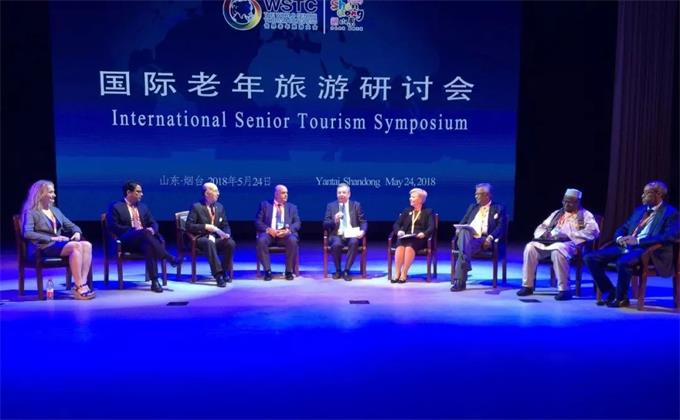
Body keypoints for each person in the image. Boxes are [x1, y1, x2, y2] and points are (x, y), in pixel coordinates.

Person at [585, 181, 679, 307]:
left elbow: (669, 236)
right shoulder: (640, 210)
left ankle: (621, 298)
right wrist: (620, 238)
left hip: (649, 250)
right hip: (628, 247)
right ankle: (610, 291)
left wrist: (639, 241)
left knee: (623, 262)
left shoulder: (670, 213)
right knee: (590, 258)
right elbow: (624, 227)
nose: (642, 196)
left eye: (646, 193)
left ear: (659, 194)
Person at [516, 188, 600, 300]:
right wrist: (544, 234)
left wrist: (568, 235)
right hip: (552, 242)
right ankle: (527, 286)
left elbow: (593, 232)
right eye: (564, 201)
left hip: (571, 244)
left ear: (577, 202)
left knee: (558, 250)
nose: (566, 204)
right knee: (530, 247)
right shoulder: (557, 213)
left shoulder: (585, 215)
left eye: (569, 202)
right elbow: (542, 226)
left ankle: (564, 289)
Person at [21, 180, 95, 300]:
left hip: (57, 245)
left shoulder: (55, 211)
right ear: (40, 194)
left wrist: (76, 232)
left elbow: (72, 226)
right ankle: (79, 286)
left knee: (87, 245)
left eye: (54, 192)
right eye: (51, 192)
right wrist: (52, 238)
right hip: (43, 247)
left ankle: (82, 283)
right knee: (76, 246)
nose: (54, 195)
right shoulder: (31, 213)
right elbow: (27, 233)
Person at [107, 181, 180, 293]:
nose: (142, 194)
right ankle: (168, 257)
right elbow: (113, 226)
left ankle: (155, 281)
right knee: (145, 234)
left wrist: (152, 229)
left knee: (148, 244)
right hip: (126, 241)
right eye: (138, 192)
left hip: (143, 240)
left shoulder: (143, 207)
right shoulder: (116, 206)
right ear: (129, 192)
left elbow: (153, 223)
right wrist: (134, 230)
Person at [451, 183, 507, 292]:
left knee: (463, 250)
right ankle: (466, 265)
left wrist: (490, 238)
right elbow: (463, 222)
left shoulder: (498, 208)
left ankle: (459, 282)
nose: (475, 196)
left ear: (487, 195)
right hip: (468, 238)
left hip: (483, 239)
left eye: (478, 194)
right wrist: (458, 229)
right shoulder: (472, 207)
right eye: (475, 194)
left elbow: (501, 227)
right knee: (464, 232)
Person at [185, 182, 236, 287]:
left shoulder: (220, 207)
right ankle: (218, 275)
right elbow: (189, 226)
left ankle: (224, 271)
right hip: (201, 238)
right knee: (208, 242)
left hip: (216, 238)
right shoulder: (196, 207)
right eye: (216, 191)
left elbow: (225, 224)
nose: (218, 193)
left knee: (230, 243)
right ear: (207, 193)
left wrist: (226, 234)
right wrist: (205, 226)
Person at [255, 184, 301, 281]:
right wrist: (268, 229)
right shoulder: (265, 205)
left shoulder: (292, 207)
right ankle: (267, 271)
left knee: (293, 240)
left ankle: (288, 271)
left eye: (287, 193)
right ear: (276, 194)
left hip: (285, 235)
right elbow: (258, 222)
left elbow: (297, 223)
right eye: (283, 193)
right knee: (261, 241)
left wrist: (288, 230)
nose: (286, 195)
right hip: (269, 234)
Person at [323, 182, 367, 281]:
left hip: (352, 234)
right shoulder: (331, 206)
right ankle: (338, 270)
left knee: (354, 242)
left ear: (349, 194)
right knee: (336, 244)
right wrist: (334, 220)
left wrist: (363, 231)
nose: (341, 195)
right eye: (339, 193)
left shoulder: (356, 205)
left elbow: (363, 222)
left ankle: (347, 270)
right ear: (336, 194)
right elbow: (325, 224)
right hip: (337, 235)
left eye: (344, 192)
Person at [391, 188, 435, 283]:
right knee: (400, 247)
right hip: (405, 236)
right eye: (410, 197)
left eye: (413, 197)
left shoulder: (428, 212)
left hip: (418, 238)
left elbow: (431, 227)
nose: (410, 198)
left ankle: (404, 273)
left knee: (409, 247)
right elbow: (397, 224)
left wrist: (424, 233)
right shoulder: (406, 211)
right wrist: (399, 231)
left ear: (420, 199)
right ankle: (397, 272)